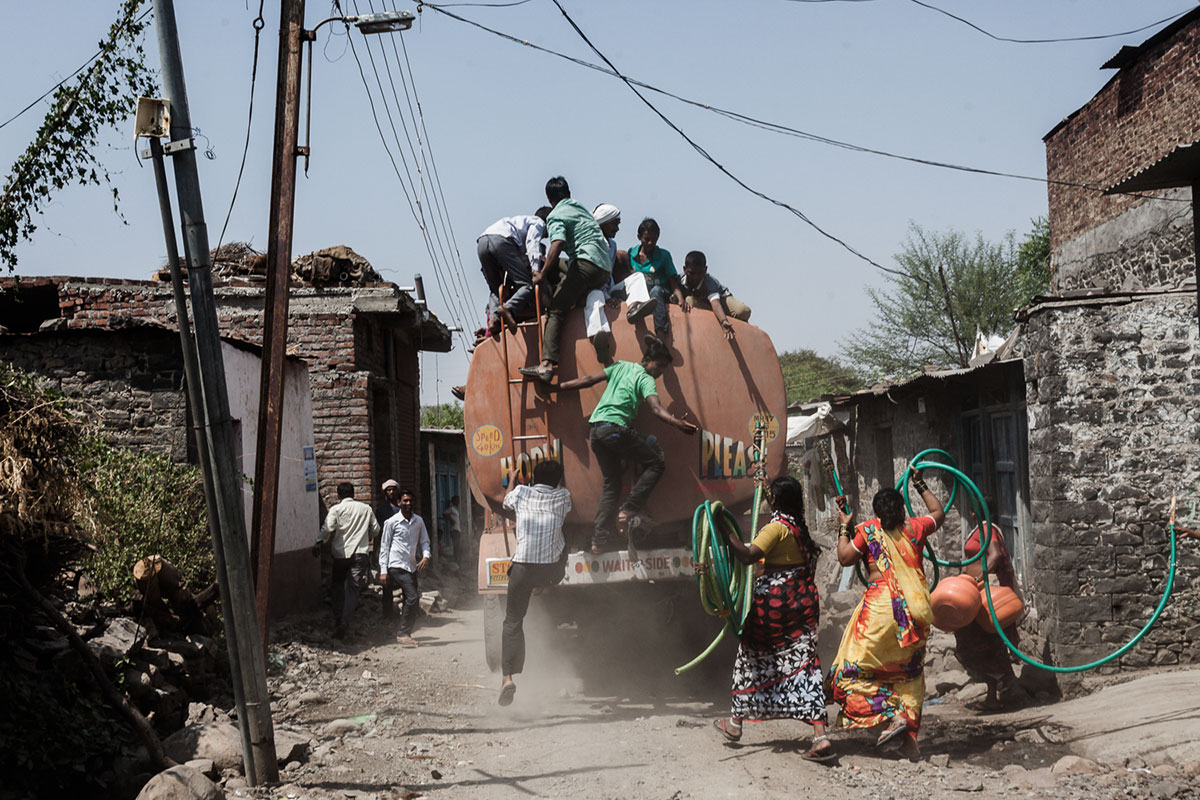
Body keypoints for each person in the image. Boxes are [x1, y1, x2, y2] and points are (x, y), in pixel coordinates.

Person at [711, 476, 835, 762]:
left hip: (774, 610)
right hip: (802, 606)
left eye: (771, 496)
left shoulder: (777, 528)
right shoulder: (799, 529)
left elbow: (747, 556)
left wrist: (723, 529)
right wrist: (765, 480)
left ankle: (734, 725)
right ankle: (820, 736)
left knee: (750, 659)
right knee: (805, 664)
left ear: (776, 501)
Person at [828, 475, 945, 762]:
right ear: (903, 509)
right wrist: (920, 484)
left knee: (848, 672)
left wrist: (844, 525)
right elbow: (939, 514)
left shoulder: (868, 531)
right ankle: (910, 741)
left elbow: (844, 558)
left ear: (877, 512)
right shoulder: (915, 528)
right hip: (916, 614)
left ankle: (891, 715)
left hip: (881, 612)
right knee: (910, 676)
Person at [549, 335, 698, 553]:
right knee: (656, 463)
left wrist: (557, 388)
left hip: (597, 433)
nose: (661, 372)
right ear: (648, 360)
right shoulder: (646, 378)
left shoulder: (620, 366)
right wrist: (677, 423)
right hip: (615, 430)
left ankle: (598, 540)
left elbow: (588, 379)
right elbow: (656, 409)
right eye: (661, 366)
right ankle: (629, 508)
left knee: (612, 485)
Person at [519, 177, 612, 383]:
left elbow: (558, 242)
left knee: (557, 310)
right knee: (558, 266)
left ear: (549, 198)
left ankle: (546, 364)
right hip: (603, 268)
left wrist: (542, 273)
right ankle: (570, 294)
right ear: (569, 192)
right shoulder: (580, 208)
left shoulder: (556, 215)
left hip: (585, 265)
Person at [497, 460, 572, 706]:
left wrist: (511, 479)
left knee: (512, 621)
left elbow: (505, 503)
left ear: (532, 478)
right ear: (558, 481)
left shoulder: (520, 492)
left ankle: (507, 677)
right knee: (565, 541)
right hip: (550, 571)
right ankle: (545, 585)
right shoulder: (563, 496)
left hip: (522, 568)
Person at [953, 499, 1021, 710]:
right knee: (985, 640)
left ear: (973, 512)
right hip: (977, 592)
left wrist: (979, 577)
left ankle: (1007, 687)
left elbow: (996, 555)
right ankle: (994, 696)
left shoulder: (986, 529)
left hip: (985, 594)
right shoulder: (983, 529)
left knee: (981, 639)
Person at [583, 203, 656, 362]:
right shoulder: (591, 243)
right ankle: (599, 337)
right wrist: (607, 297)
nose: (617, 228)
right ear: (603, 222)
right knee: (594, 297)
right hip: (594, 290)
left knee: (637, 277)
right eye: (615, 224)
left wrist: (611, 294)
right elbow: (593, 276)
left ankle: (635, 307)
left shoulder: (612, 245)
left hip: (609, 289)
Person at [312, 482, 380, 640]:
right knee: (353, 588)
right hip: (360, 554)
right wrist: (366, 537)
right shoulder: (366, 509)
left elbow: (327, 528)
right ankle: (346, 620)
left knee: (337, 585)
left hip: (341, 555)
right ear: (353, 493)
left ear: (338, 495)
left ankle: (338, 618)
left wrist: (318, 542)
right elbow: (376, 529)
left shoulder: (336, 509)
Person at [476, 208, 550, 342]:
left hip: (482, 242)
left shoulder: (518, 222)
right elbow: (532, 243)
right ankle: (508, 308)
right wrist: (535, 270)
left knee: (495, 288)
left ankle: (493, 319)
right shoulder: (538, 223)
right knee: (526, 285)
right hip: (501, 241)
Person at [379, 489, 431, 645]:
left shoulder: (418, 521)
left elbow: (424, 541)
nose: (408, 504)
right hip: (396, 565)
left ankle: (404, 632)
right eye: (405, 501)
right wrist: (383, 571)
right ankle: (402, 633)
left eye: (410, 501)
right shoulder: (392, 522)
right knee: (413, 597)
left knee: (412, 598)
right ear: (398, 503)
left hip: (411, 566)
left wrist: (426, 556)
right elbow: (384, 546)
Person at [627, 218, 685, 339]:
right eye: (647, 239)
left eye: (654, 240)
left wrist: (680, 299)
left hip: (660, 292)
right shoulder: (631, 254)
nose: (650, 243)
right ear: (639, 237)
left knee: (656, 291)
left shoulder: (664, 255)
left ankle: (660, 336)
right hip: (640, 295)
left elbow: (672, 280)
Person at [679, 251, 752, 341]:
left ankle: (740, 324)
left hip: (721, 300)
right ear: (684, 269)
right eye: (692, 273)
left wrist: (723, 321)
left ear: (705, 270)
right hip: (704, 305)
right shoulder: (680, 281)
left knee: (742, 311)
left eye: (699, 273)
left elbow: (716, 304)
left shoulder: (709, 282)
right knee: (689, 301)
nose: (695, 277)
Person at [374, 479, 403, 618]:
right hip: (386, 549)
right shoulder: (381, 511)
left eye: (393, 489)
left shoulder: (403, 509)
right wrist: (375, 552)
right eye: (388, 490)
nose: (391, 492)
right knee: (386, 583)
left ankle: (408, 613)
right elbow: (377, 532)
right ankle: (388, 614)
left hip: (402, 549)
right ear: (385, 493)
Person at [440, 495, 462, 564]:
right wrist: (451, 520)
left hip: (457, 530)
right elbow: (444, 514)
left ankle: (457, 560)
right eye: (457, 500)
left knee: (457, 546)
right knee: (456, 546)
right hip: (454, 530)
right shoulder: (452, 508)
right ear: (454, 501)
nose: (458, 502)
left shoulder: (455, 509)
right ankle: (456, 561)